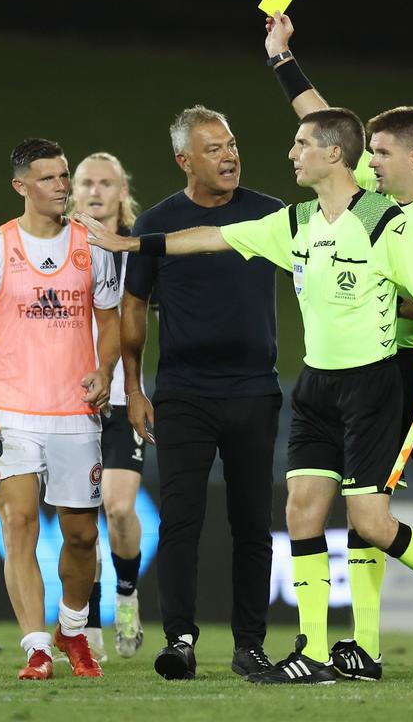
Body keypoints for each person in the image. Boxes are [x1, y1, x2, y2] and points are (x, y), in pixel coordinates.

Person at [75, 106, 413, 686]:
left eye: (300, 144)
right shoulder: (294, 222)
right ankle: (316, 651)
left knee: (372, 524)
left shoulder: (382, 222)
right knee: (300, 510)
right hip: (315, 386)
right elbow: (209, 239)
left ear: (331, 154)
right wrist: (130, 242)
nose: (290, 154)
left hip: (371, 386)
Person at [264, 12, 413, 681]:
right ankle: (363, 644)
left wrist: (381, 293)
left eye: (382, 155)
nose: (370, 163)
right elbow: (324, 119)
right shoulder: (371, 192)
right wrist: (282, 60)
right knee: (369, 503)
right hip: (376, 365)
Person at [120, 106, 285, 681]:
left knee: (252, 523)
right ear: (184, 160)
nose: (230, 155)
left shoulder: (271, 216)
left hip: (254, 391)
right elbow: (133, 308)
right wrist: (134, 388)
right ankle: (181, 639)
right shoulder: (156, 225)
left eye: (232, 144)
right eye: (214, 148)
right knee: (181, 521)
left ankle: (250, 644)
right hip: (184, 392)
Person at [0, 138, 121, 681]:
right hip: (12, 414)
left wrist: (106, 370)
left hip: (75, 413)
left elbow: (111, 321)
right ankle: (36, 648)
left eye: (64, 176)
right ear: (21, 186)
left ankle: (71, 631)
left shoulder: (92, 245)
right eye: (49, 178)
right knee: (19, 522)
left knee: (81, 536)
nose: (62, 187)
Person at [68, 153, 147, 660]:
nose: (96, 192)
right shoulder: (61, 245)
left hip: (121, 397)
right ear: (74, 190)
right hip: (72, 400)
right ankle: (88, 618)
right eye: (86, 183)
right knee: (82, 519)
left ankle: (127, 593)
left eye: (106, 183)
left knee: (118, 509)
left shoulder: (140, 246)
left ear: (123, 190)